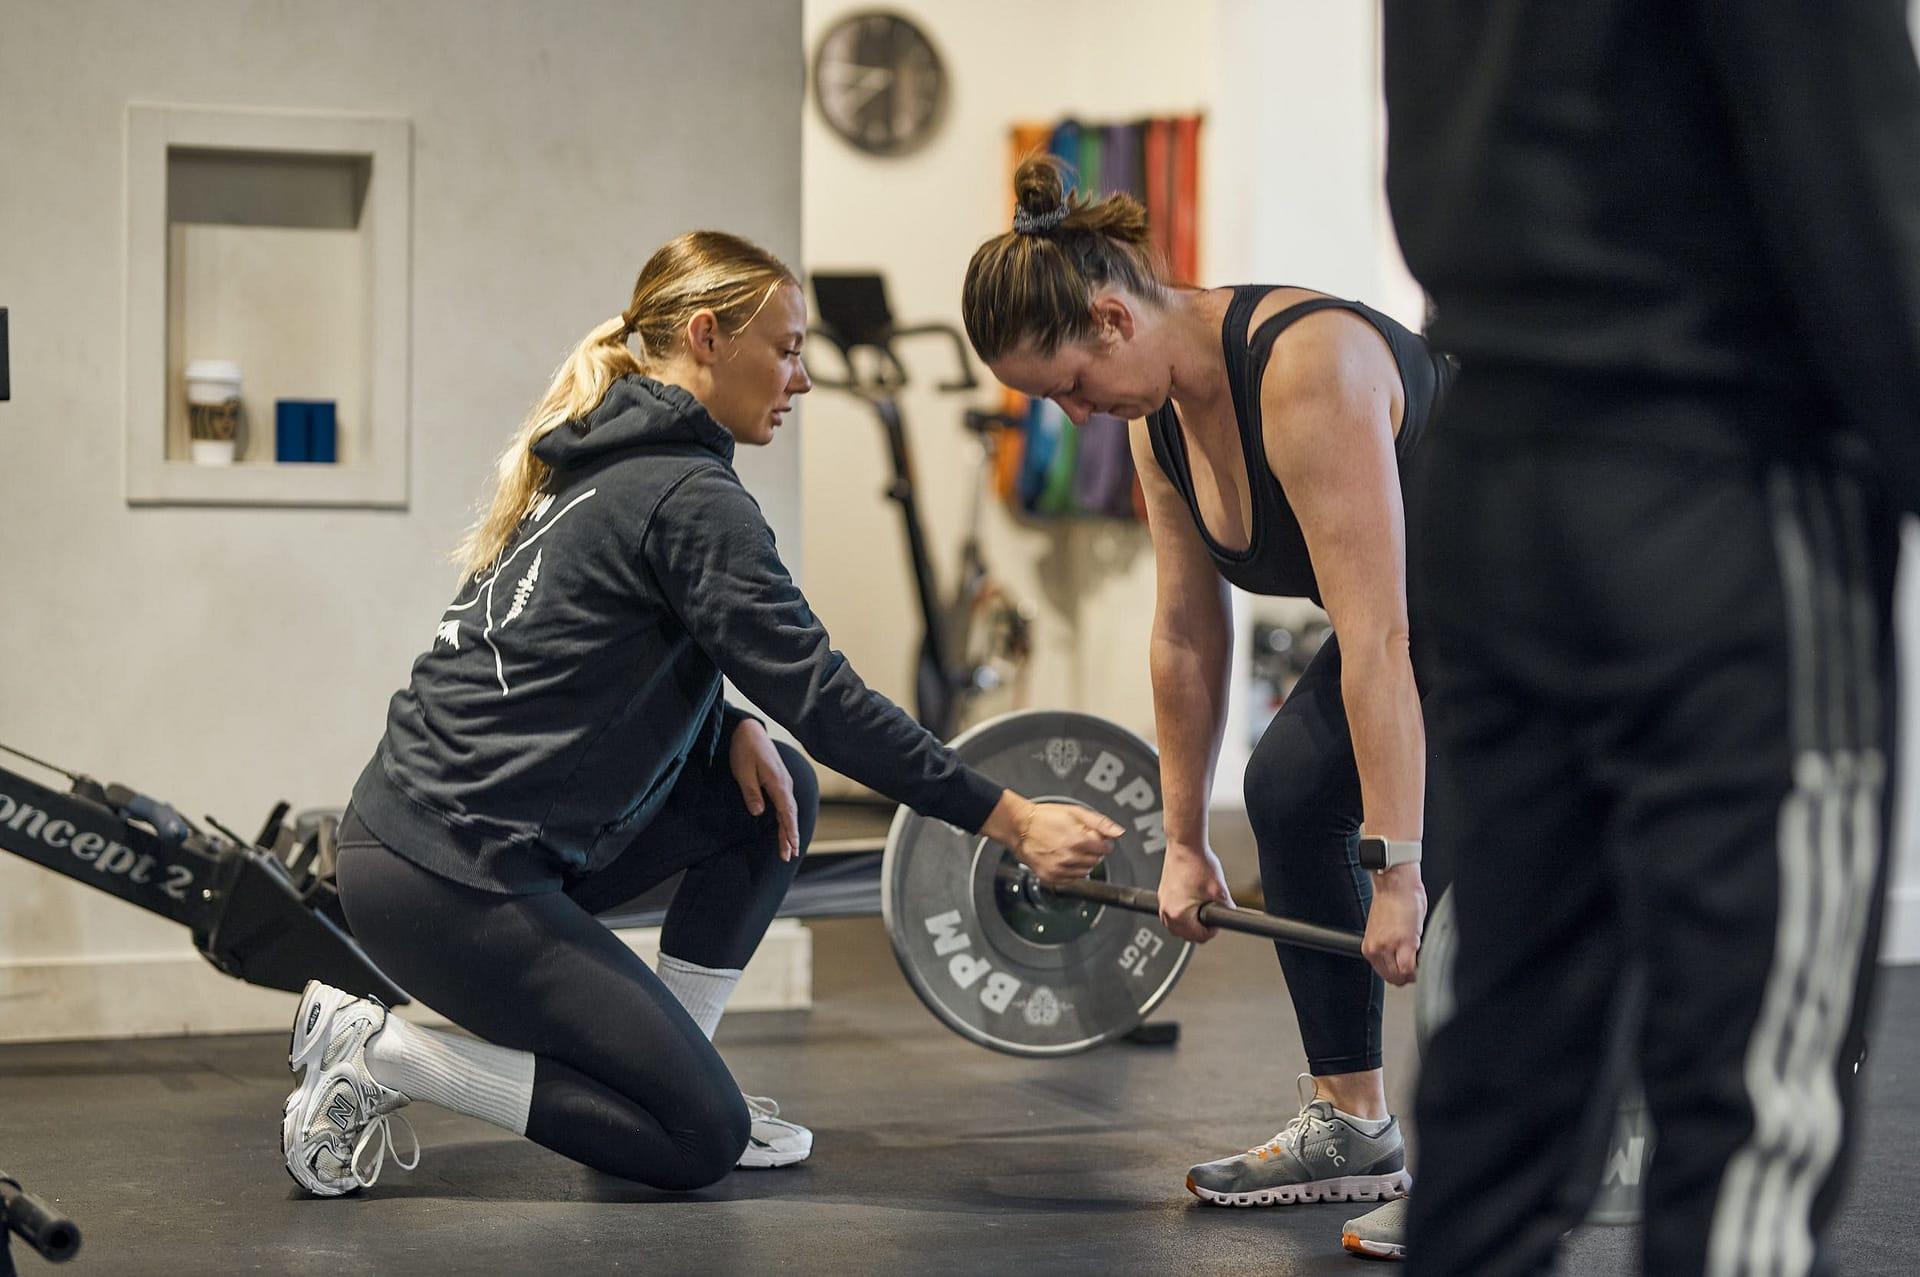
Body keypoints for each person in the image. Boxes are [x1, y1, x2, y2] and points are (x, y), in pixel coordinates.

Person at [280, 230, 1124, 1198]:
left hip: (415, 849)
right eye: (789, 347)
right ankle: (388, 1055)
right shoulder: (685, 494)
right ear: (707, 335)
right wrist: (1009, 817)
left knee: (774, 792)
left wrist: (729, 725)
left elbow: (589, 657)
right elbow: (826, 698)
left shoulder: (608, 464)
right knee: (697, 1137)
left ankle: (668, 1068)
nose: (802, 377)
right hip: (453, 880)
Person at [1378, 2, 1920, 1272]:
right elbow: (1865, 211)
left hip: (1495, 478)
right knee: (1750, 1116)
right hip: (1719, 491)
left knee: (1505, 1085)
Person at [961, 156, 1451, 1211]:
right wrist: (1182, 839)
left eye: (1071, 386)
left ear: (1111, 317)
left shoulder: (1304, 367)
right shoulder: (1158, 419)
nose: (1078, 413)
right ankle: (1354, 1125)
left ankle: (1528, 1154)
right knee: (1283, 790)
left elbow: (1377, 637)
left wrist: (1400, 868)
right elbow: (1186, 632)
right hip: (1433, 617)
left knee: (1455, 865)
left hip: (1544, 599)